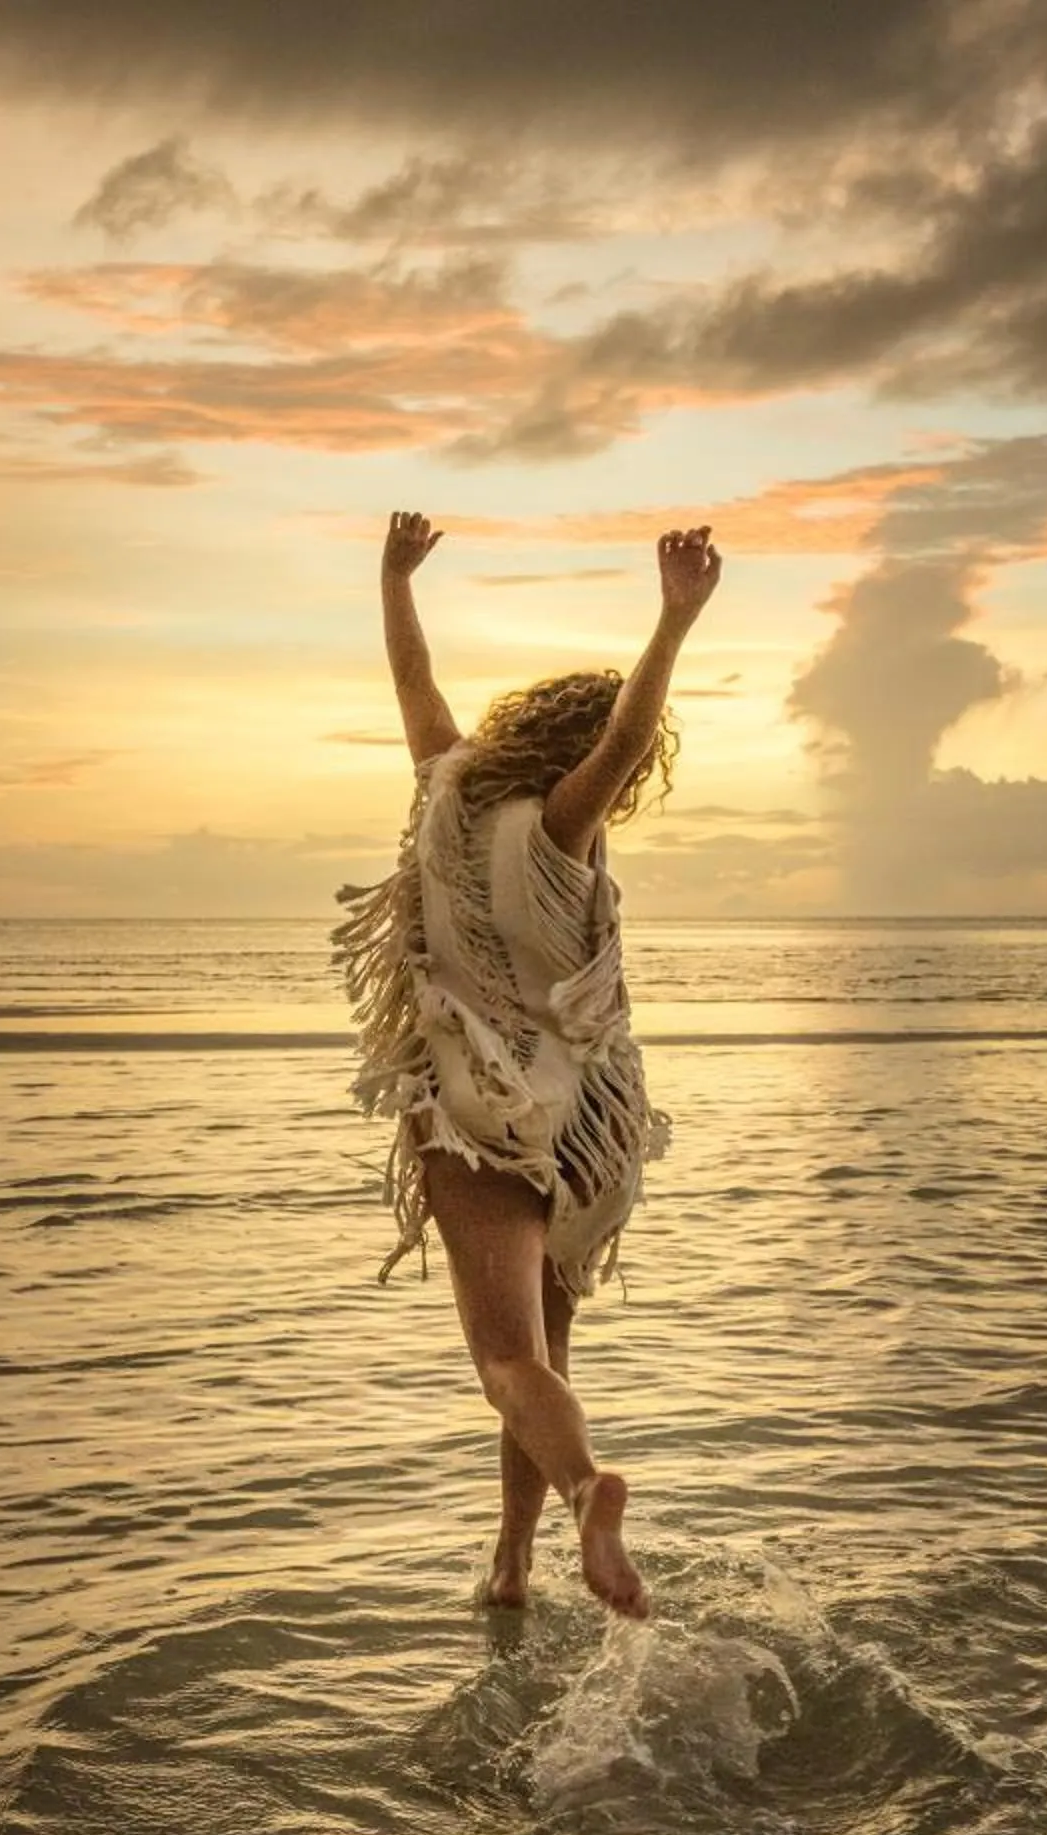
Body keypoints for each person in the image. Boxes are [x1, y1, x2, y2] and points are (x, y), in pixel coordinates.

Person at [331, 509, 722, 1619]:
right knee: (546, 1350)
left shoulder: (445, 797)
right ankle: (512, 1563)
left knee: (508, 1362)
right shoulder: (563, 829)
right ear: (575, 756)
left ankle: (584, 1486)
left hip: (471, 1113)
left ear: (517, 728)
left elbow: (414, 683)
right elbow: (630, 741)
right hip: (579, 1122)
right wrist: (675, 621)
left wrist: (394, 576)